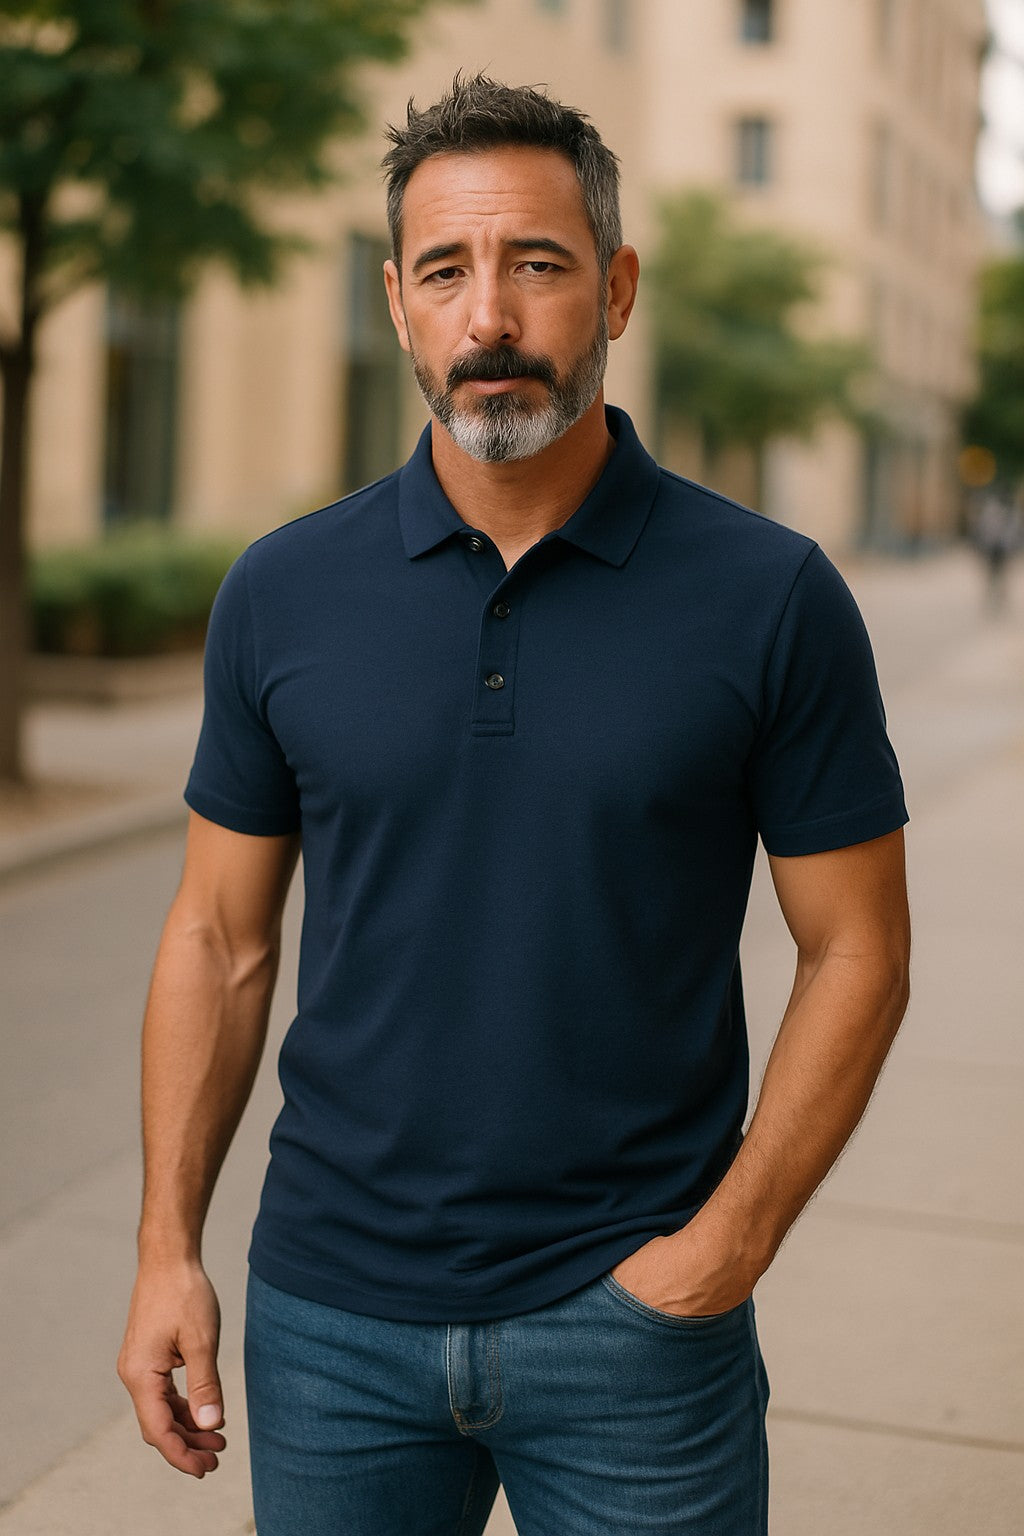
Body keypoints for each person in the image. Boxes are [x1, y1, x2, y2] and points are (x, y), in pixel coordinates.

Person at [118, 74, 911, 1536]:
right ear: (399, 304)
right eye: (446, 270)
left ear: (613, 285)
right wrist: (168, 1249)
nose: (491, 314)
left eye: (538, 263)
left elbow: (859, 948)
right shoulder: (283, 592)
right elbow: (219, 942)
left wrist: (724, 1250)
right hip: (331, 1328)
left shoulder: (771, 598)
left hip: (636, 1334)